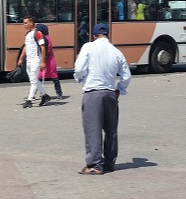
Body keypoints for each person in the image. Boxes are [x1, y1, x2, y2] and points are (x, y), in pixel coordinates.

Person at [73, 24, 132, 175]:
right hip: (110, 93)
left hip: (92, 92)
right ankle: (110, 163)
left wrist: (79, 79)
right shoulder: (116, 51)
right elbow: (126, 75)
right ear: (108, 35)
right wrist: (120, 89)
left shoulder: (88, 47)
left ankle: (94, 165)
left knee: (93, 129)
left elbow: (79, 69)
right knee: (111, 129)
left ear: (93, 36)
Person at [17, 16, 50, 108]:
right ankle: (45, 96)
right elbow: (25, 47)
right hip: (29, 60)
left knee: (33, 80)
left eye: (25, 23)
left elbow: (43, 47)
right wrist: (21, 58)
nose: (24, 25)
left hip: (36, 60)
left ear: (31, 23)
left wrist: (43, 62)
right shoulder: (27, 34)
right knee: (33, 79)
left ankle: (29, 100)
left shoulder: (38, 33)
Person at [35, 23, 63, 99]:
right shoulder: (43, 37)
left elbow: (48, 50)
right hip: (45, 60)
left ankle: (59, 93)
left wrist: (43, 60)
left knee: (53, 78)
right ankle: (34, 93)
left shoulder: (46, 38)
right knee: (38, 78)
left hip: (49, 61)